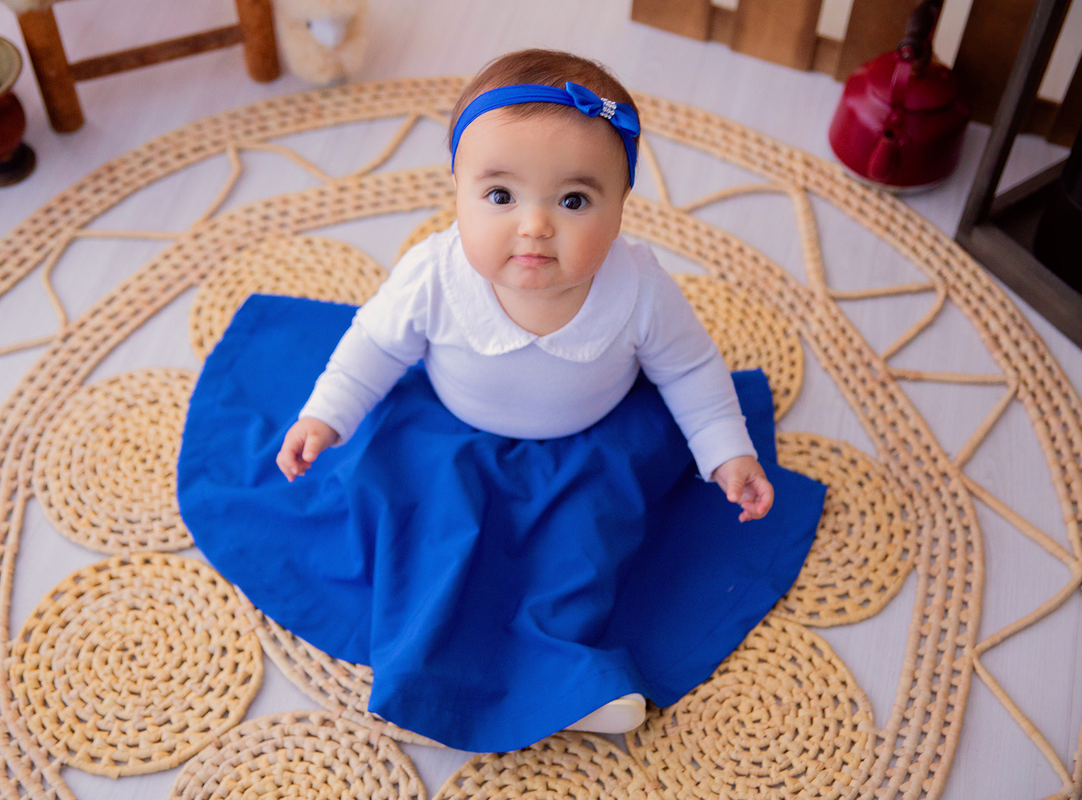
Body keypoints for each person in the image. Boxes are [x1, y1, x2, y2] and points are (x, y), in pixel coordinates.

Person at [177, 49, 826, 753]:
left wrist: (728, 453)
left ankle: (577, 681)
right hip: (445, 433)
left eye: (574, 200)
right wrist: (327, 415)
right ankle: (431, 673)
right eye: (500, 196)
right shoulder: (434, 274)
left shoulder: (638, 288)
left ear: (621, 205)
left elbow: (693, 370)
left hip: (591, 444)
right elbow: (374, 344)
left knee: (583, 553)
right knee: (416, 530)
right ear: (456, 190)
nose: (535, 225)